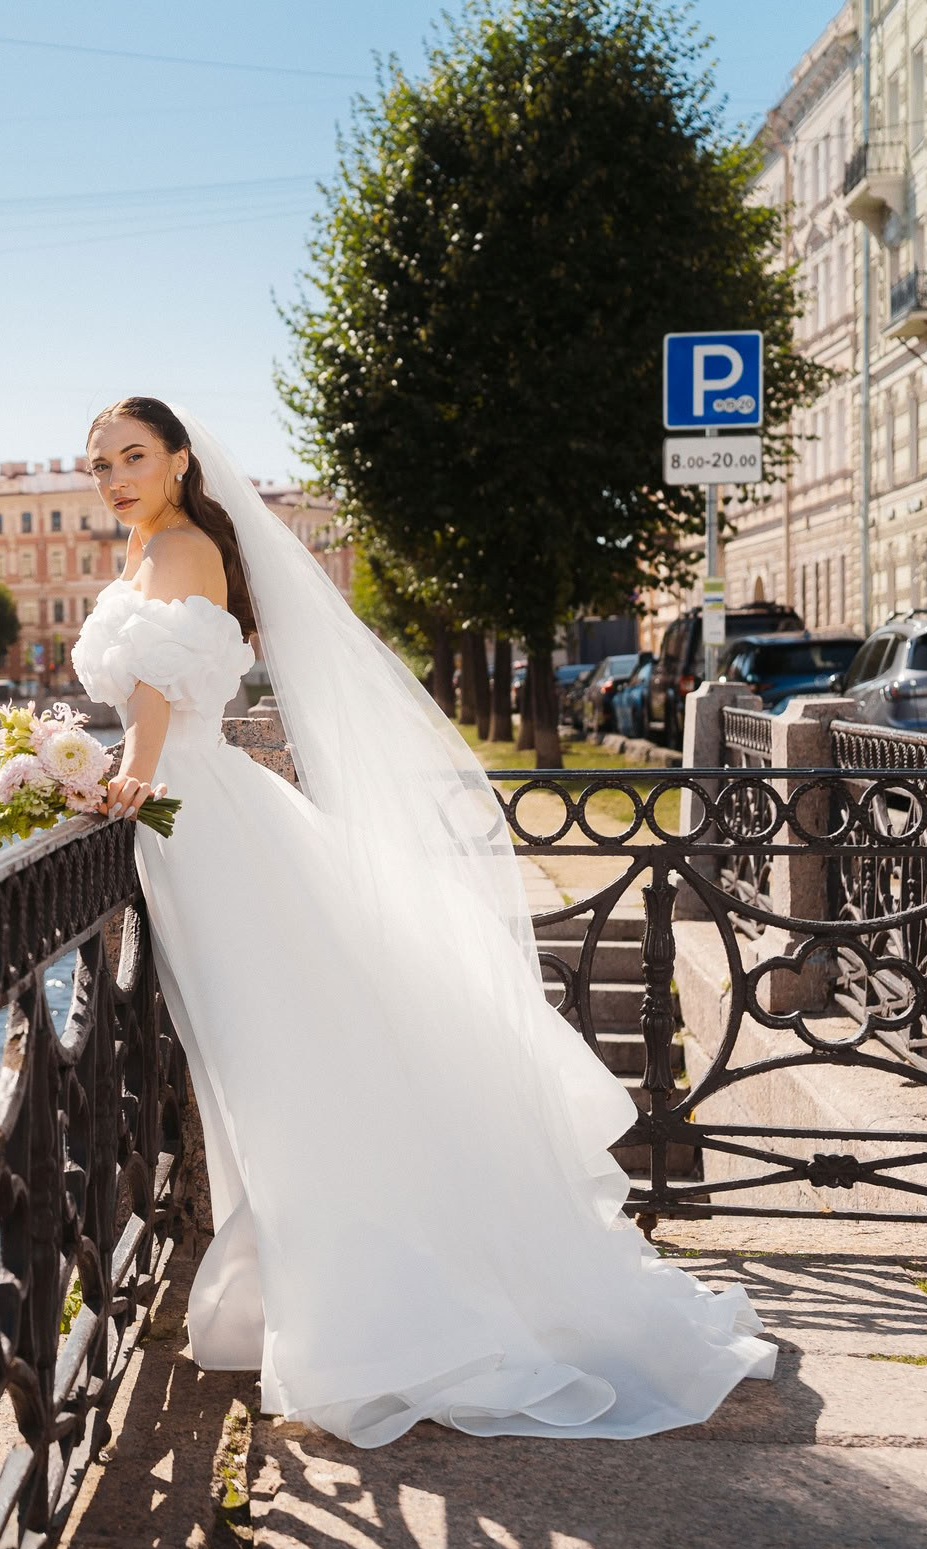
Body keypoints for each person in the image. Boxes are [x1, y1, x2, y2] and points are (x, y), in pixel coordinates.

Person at [72, 397, 772, 1448]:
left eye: (132, 456)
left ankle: (364, 1314)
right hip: (195, 815)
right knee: (268, 1059)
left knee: (274, 1064)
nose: (114, 477)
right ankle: (300, 1292)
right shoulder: (151, 549)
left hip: (200, 818)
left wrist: (121, 777)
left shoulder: (177, 547)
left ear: (178, 458)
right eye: (99, 464)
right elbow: (153, 692)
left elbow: (161, 696)